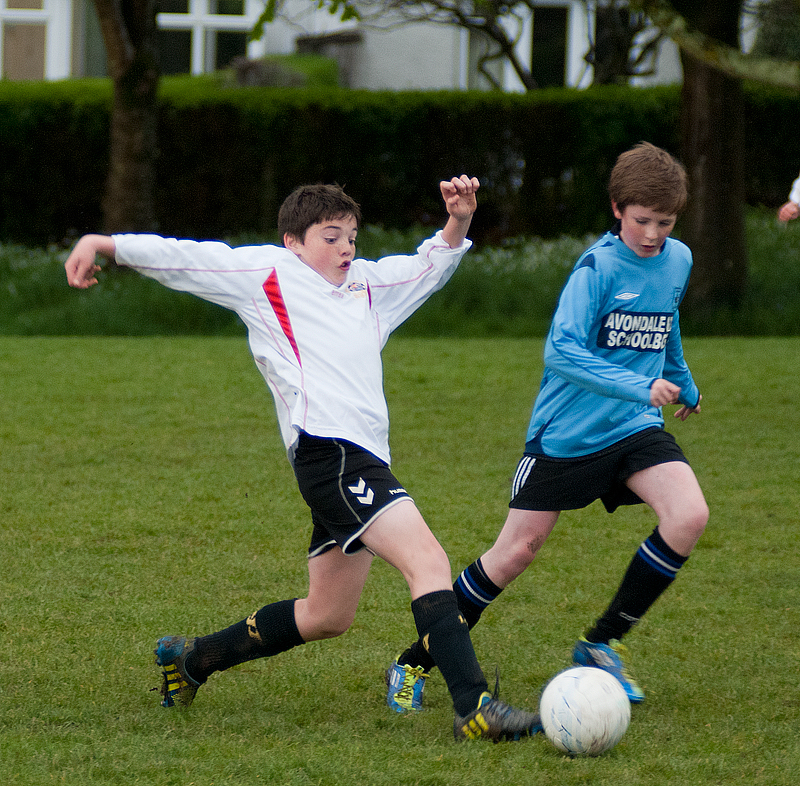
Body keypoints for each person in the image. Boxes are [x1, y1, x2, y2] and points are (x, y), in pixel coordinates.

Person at [64, 176, 541, 742]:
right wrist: (104, 242)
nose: (346, 248)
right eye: (331, 236)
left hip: (359, 460)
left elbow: (428, 263)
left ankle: (192, 660)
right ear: (294, 241)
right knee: (429, 563)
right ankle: (475, 708)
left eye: (352, 238)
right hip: (329, 453)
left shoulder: (366, 285)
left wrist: (458, 220)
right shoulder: (270, 273)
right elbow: (187, 258)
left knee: (327, 615)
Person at [385, 143, 709, 713]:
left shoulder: (677, 259)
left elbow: (667, 316)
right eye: (642, 221)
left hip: (635, 427)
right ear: (616, 208)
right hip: (566, 437)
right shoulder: (598, 268)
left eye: (665, 222)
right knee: (514, 553)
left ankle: (600, 643)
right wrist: (639, 384)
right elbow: (560, 352)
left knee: (689, 515)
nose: (654, 234)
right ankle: (413, 662)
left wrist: (681, 376)